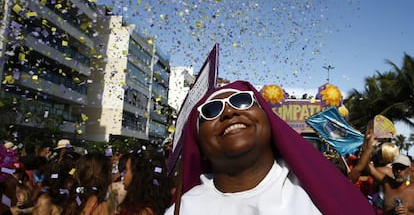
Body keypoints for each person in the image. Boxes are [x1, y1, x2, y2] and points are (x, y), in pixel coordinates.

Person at [166, 81, 374, 214]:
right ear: (198, 140)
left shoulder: (321, 194)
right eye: (211, 110)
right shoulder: (184, 209)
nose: (229, 112)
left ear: (269, 121)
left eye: (242, 101)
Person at [117, 149, 173, 214]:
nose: (123, 175)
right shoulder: (134, 202)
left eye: (126, 170)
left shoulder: (145, 210)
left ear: (136, 174)